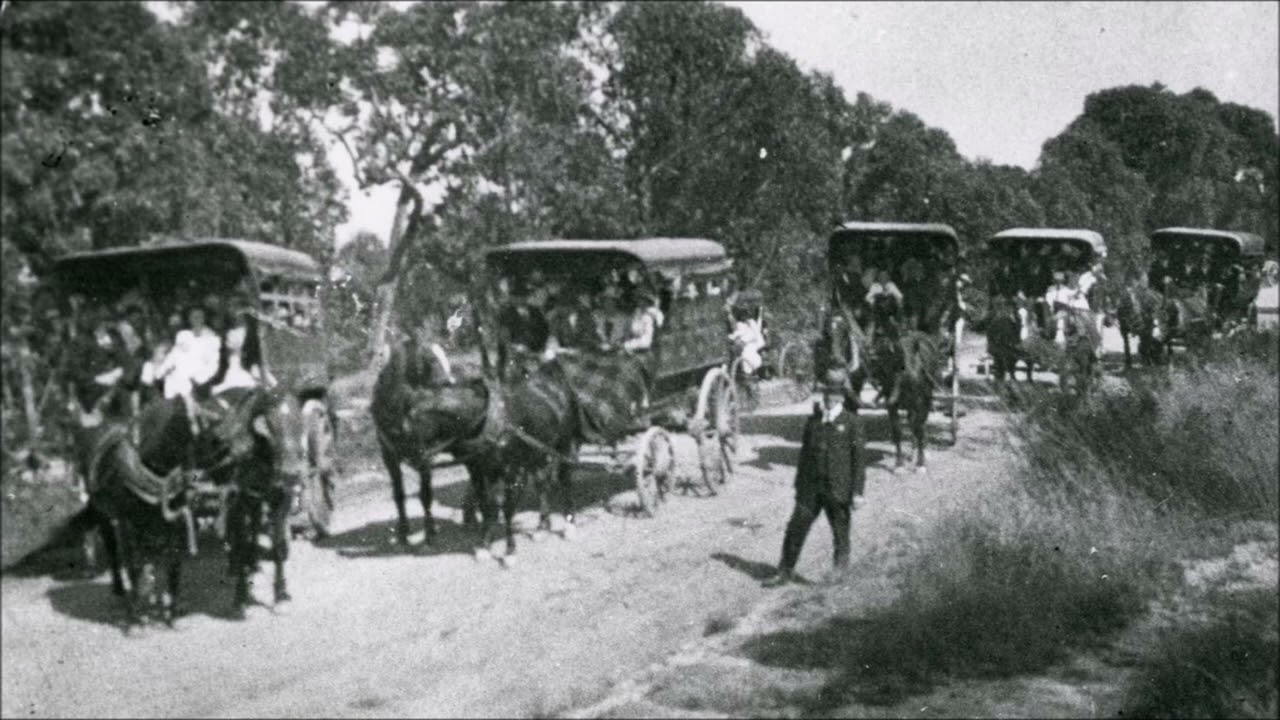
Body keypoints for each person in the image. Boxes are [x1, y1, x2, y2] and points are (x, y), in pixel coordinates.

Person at [762, 369, 867, 587]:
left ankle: (839, 576)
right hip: (810, 489)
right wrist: (799, 486)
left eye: (834, 395)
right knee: (795, 529)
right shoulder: (813, 422)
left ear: (841, 397)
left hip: (838, 489)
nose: (829, 399)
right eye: (826, 394)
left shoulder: (852, 423)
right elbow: (804, 456)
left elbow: (859, 462)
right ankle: (784, 571)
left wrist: (857, 492)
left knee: (840, 533)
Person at [729, 306, 767, 377]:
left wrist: (744, 340)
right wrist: (733, 337)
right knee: (745, 351)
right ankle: (748, 371)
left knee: (747, 352)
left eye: (745, 316)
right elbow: (739, 333)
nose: (744, 318)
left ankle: (751, 370)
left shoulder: (751, 322)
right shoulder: (739, 324)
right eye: (742, 316)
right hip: (747, 343)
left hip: (755, 342)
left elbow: (756, 332)